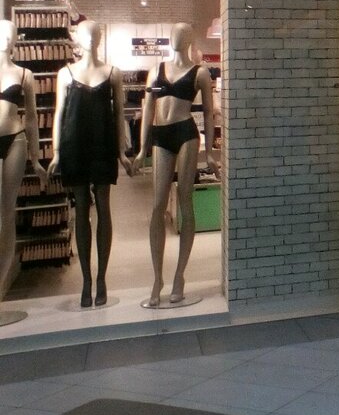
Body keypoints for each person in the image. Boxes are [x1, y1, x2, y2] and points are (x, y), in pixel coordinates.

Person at [132, 23, 219, 306]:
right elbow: (148, 108)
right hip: (161, 135)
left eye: (182, 33)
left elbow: (209, 112)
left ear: (191, 38)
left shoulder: (200, 73)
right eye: (174, 33)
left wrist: (210, 154)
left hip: (186, 133)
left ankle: (180, 275)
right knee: (158, 205)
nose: (176, 37)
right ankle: (157, 278)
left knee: (184, 199)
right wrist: (141, 148)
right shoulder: (156, 71)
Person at [49, 21, 131, 308]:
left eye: (95, 33)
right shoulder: (65, 73)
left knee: (104, 208)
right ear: (77, 38)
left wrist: (122, 152)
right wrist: (56, 152)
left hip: (103, 145)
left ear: (100, 37)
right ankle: (86, 279)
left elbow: (119, 114)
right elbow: (59, 113)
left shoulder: (112, 73)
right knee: (82, 207)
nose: (91, 37)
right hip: (74, 145)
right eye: (86, 33)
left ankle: (102, 278)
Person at [0, 21, 47, 299]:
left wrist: (36, 158)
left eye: (11, 35)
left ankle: (1, 284)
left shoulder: (24, 74)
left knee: (8, 211)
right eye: (2, 34)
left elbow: (31, 118)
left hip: (15, 140)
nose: (6, 39)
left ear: (17, 39)